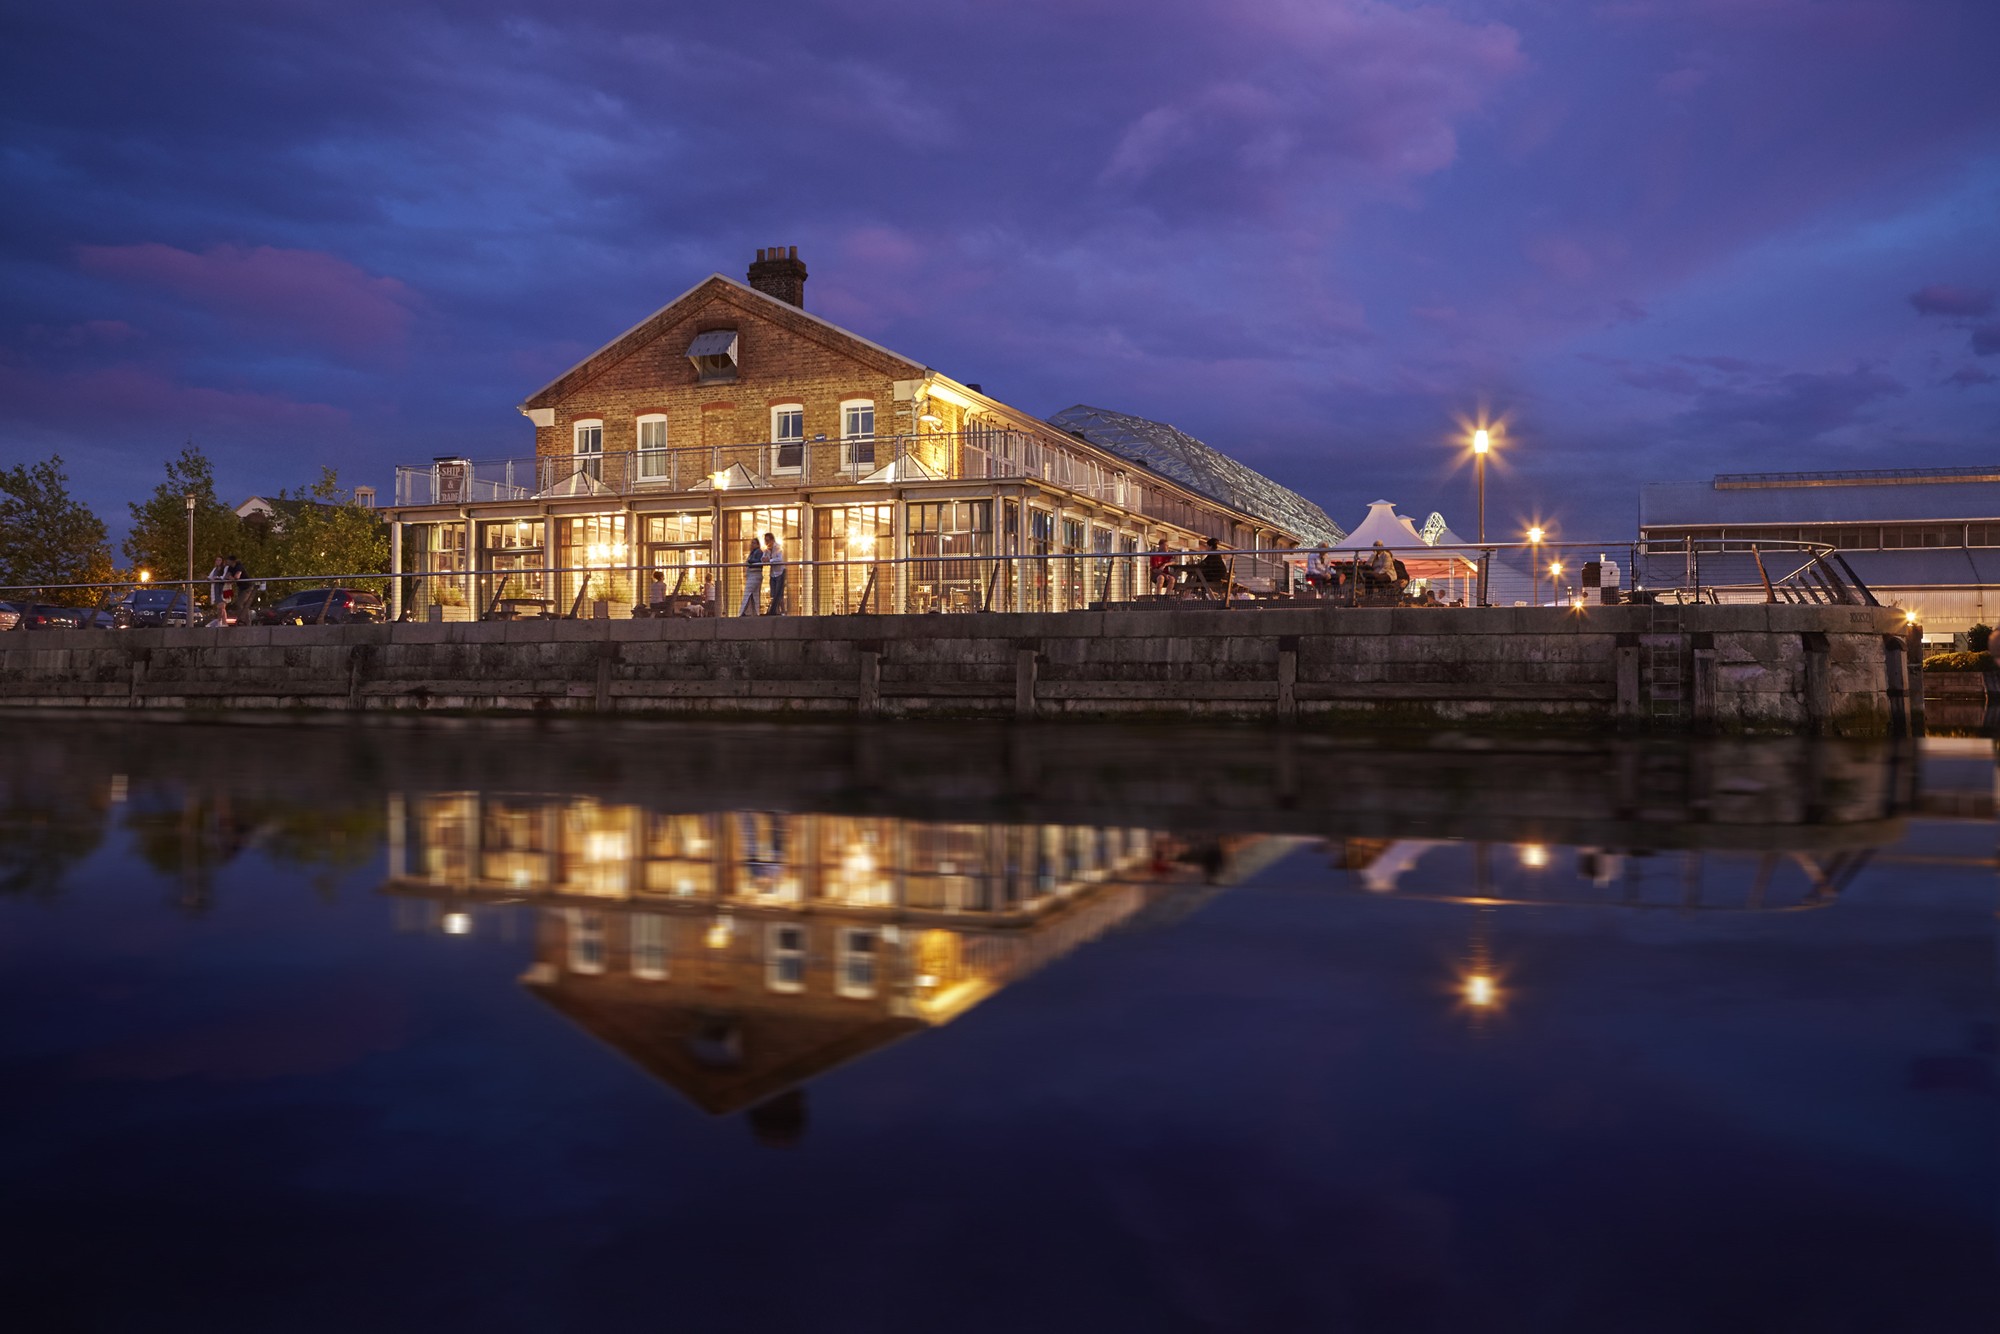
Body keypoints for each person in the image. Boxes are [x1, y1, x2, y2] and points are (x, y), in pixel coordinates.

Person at [762, 532, 787, 614]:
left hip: (780, 573)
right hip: (772, 574)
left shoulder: (778, 547)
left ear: (772, 540)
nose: (766, 543)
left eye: (768, 540)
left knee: (779, 594)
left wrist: (770, 560)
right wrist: (764, 559)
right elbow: (763, 558)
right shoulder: (767, 549)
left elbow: (780, 559)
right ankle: (777, 611)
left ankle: (783, 612)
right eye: (765, 541)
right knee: (773, 594)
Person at [739, 538, 764, 617]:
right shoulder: (753, 552)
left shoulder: (758, 552)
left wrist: (750, 561)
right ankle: (755, 612)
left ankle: (742, 612)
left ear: (757, 544)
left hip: (754, 575)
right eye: (751, 543)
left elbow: (758, 561)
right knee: (755, 595)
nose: (752, 545)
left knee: (747, 593)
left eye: (753, 543)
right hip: (753, 575)